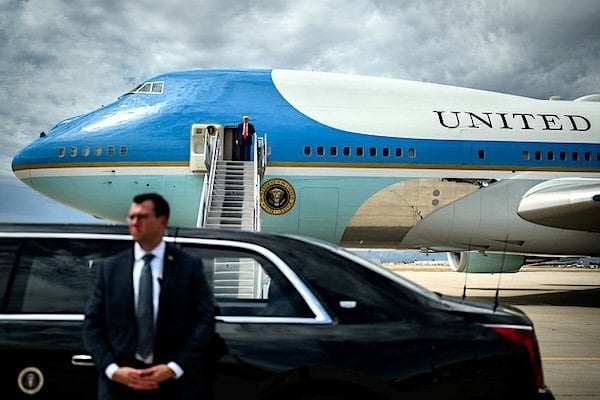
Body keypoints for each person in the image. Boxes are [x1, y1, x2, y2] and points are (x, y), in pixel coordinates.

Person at [83, 193, 215, 400]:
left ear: (162, 220)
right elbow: (92, 323)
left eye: (141, 216)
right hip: (118, 388)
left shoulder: (188, 266)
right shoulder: (110, 269)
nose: (134, 222)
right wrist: (112, 369)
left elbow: (204, 321)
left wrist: (173, 368)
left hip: (174, 387)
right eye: (131, 217)